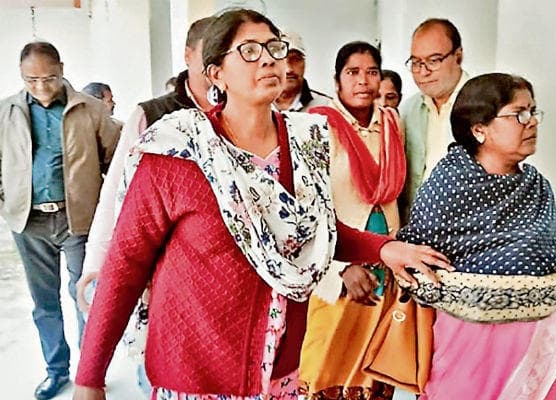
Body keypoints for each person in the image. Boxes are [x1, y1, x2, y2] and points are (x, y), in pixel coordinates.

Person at [72, 9, 447, 400]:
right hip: (197, 374)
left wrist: (385, 248)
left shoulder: (306, 141)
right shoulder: (177, 152)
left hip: (282, 371)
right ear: (216, 73)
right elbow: (126, 264)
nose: (268, 59)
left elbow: (315, 230)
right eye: (249, 50)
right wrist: (89, 378)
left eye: (274, 48)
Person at [397, 73, 556, 399]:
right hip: (470, 353)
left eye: (533, 112)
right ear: (480, 130)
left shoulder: (537, 185)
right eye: (519, 114)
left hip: (542, 348)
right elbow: (415, 260)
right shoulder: (448, 186)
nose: (532, 122)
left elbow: (549, 248)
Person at [299, 41, 450, 400]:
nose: (363, 81)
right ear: (336, 80)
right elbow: (307, 209)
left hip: (388, 265)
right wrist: (338, 269)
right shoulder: (315, 126)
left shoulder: (391, 123)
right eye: (352, 72)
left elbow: (399, 193)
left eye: (371, 72)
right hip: (342, 269)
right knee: (326, 367)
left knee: (376, 370)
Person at [74, 15, 216, 396]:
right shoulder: (153, 115)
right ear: (188, 55)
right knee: (159, 370)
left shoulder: (244, 113)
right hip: (163, 274)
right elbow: (114, 197)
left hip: (217, 281)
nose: (216, 65)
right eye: (209, 53)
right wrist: (97, 263)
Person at [0, 41, 119, 400]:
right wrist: (7, 202)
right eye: (31, 80)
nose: (41, 87)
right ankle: (56, 371)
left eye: (48, 78)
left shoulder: (90, 110)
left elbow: (116, 163)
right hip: (30, 222)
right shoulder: (6, 113)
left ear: (62, 69)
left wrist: (105, 211)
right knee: (44, 303)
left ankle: (88, 373)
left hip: (77, 220)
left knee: (85, 297)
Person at [400, 18, 470, 221]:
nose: (423, 72)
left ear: (458, 56)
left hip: (469, 228)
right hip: (418, 228)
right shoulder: (408, 110)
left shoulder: (486, 105)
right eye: (416, 63)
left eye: (434, 61)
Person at [273, 30, 330, 111]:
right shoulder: (255, 106)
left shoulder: (327, 107)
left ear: (304, 63)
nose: (288, 70)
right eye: (280, 60)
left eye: (295, 59)